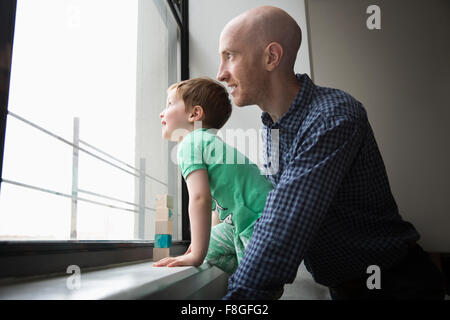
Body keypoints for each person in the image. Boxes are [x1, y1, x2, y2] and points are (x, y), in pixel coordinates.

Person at [216, 5, 446, 300]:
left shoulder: (333, 115)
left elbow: (284, 224)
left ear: (271, 57)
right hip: (346, 288)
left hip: (397, 286)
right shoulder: (271, 127)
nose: (221, 73)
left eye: (229, 56)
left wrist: (238, 303)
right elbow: (274, 206)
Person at [153, 77, 273, 275]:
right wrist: (202, 247)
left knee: (252, 290)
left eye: (169, 104)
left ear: (195, 114)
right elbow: (216, 211)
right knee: (211, 253)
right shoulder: (211, 144)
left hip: (257, 225)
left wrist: (196, 254)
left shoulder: (190, 143)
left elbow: (200, 198)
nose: (161, 113)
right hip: (258, 219)